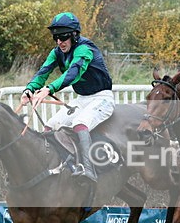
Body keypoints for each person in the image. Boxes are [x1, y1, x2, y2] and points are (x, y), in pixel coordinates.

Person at [21, 12, 114, 182]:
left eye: (63, 37)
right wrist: (29, 89)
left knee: (80, 123)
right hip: (82, 99)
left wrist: (49, 89)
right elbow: (43, 73)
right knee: (49, 126)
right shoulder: (56, 52)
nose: (59, 42)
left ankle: (89, 169)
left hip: (102, 98)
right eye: (55, 37)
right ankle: (53, 166)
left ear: (74, 35)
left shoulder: (85, 49)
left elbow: (73, 73)